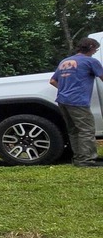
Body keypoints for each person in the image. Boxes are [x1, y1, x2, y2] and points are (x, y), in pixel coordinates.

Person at [50, 37, 103, 167]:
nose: (95, 51)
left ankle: (78, 158)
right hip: (78, 101)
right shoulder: (90, 61)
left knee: (74, 130)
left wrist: (65, 90)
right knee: (86, 130)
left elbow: (52, 81)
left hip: (62, 100)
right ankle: (86, 160)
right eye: (95, 49)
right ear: (90, 47)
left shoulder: (65, 61)